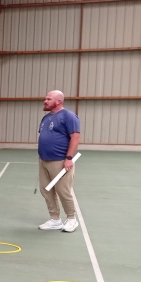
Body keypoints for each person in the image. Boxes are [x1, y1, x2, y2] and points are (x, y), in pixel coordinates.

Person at [37, 90, 81, 232]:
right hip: (44, 160)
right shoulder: (46, 118)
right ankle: (55, 219)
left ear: (58, 101)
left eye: (48, 99)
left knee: (63, 191)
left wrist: (69, 158)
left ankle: (71, 219)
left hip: (60, 160)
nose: (45, 101)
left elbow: (75, 137)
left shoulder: (68, 116)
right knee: (46, 190)